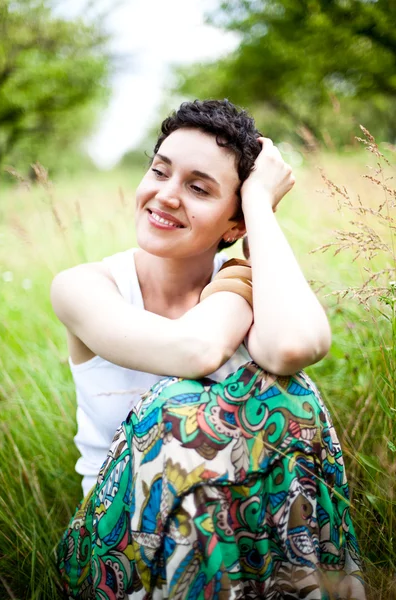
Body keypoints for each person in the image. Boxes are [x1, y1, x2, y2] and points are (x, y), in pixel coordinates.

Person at [52, 100, 365, 599]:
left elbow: (294, 347)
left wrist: (259, 206)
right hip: (120, 544)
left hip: (231, 518)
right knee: (178, 410)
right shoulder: (84, 287)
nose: (167, 196)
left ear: (234, 225)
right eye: (160, 171)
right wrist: (241, 284)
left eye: (198, 188)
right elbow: (195, 350)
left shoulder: (238, 278)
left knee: (288, 393)